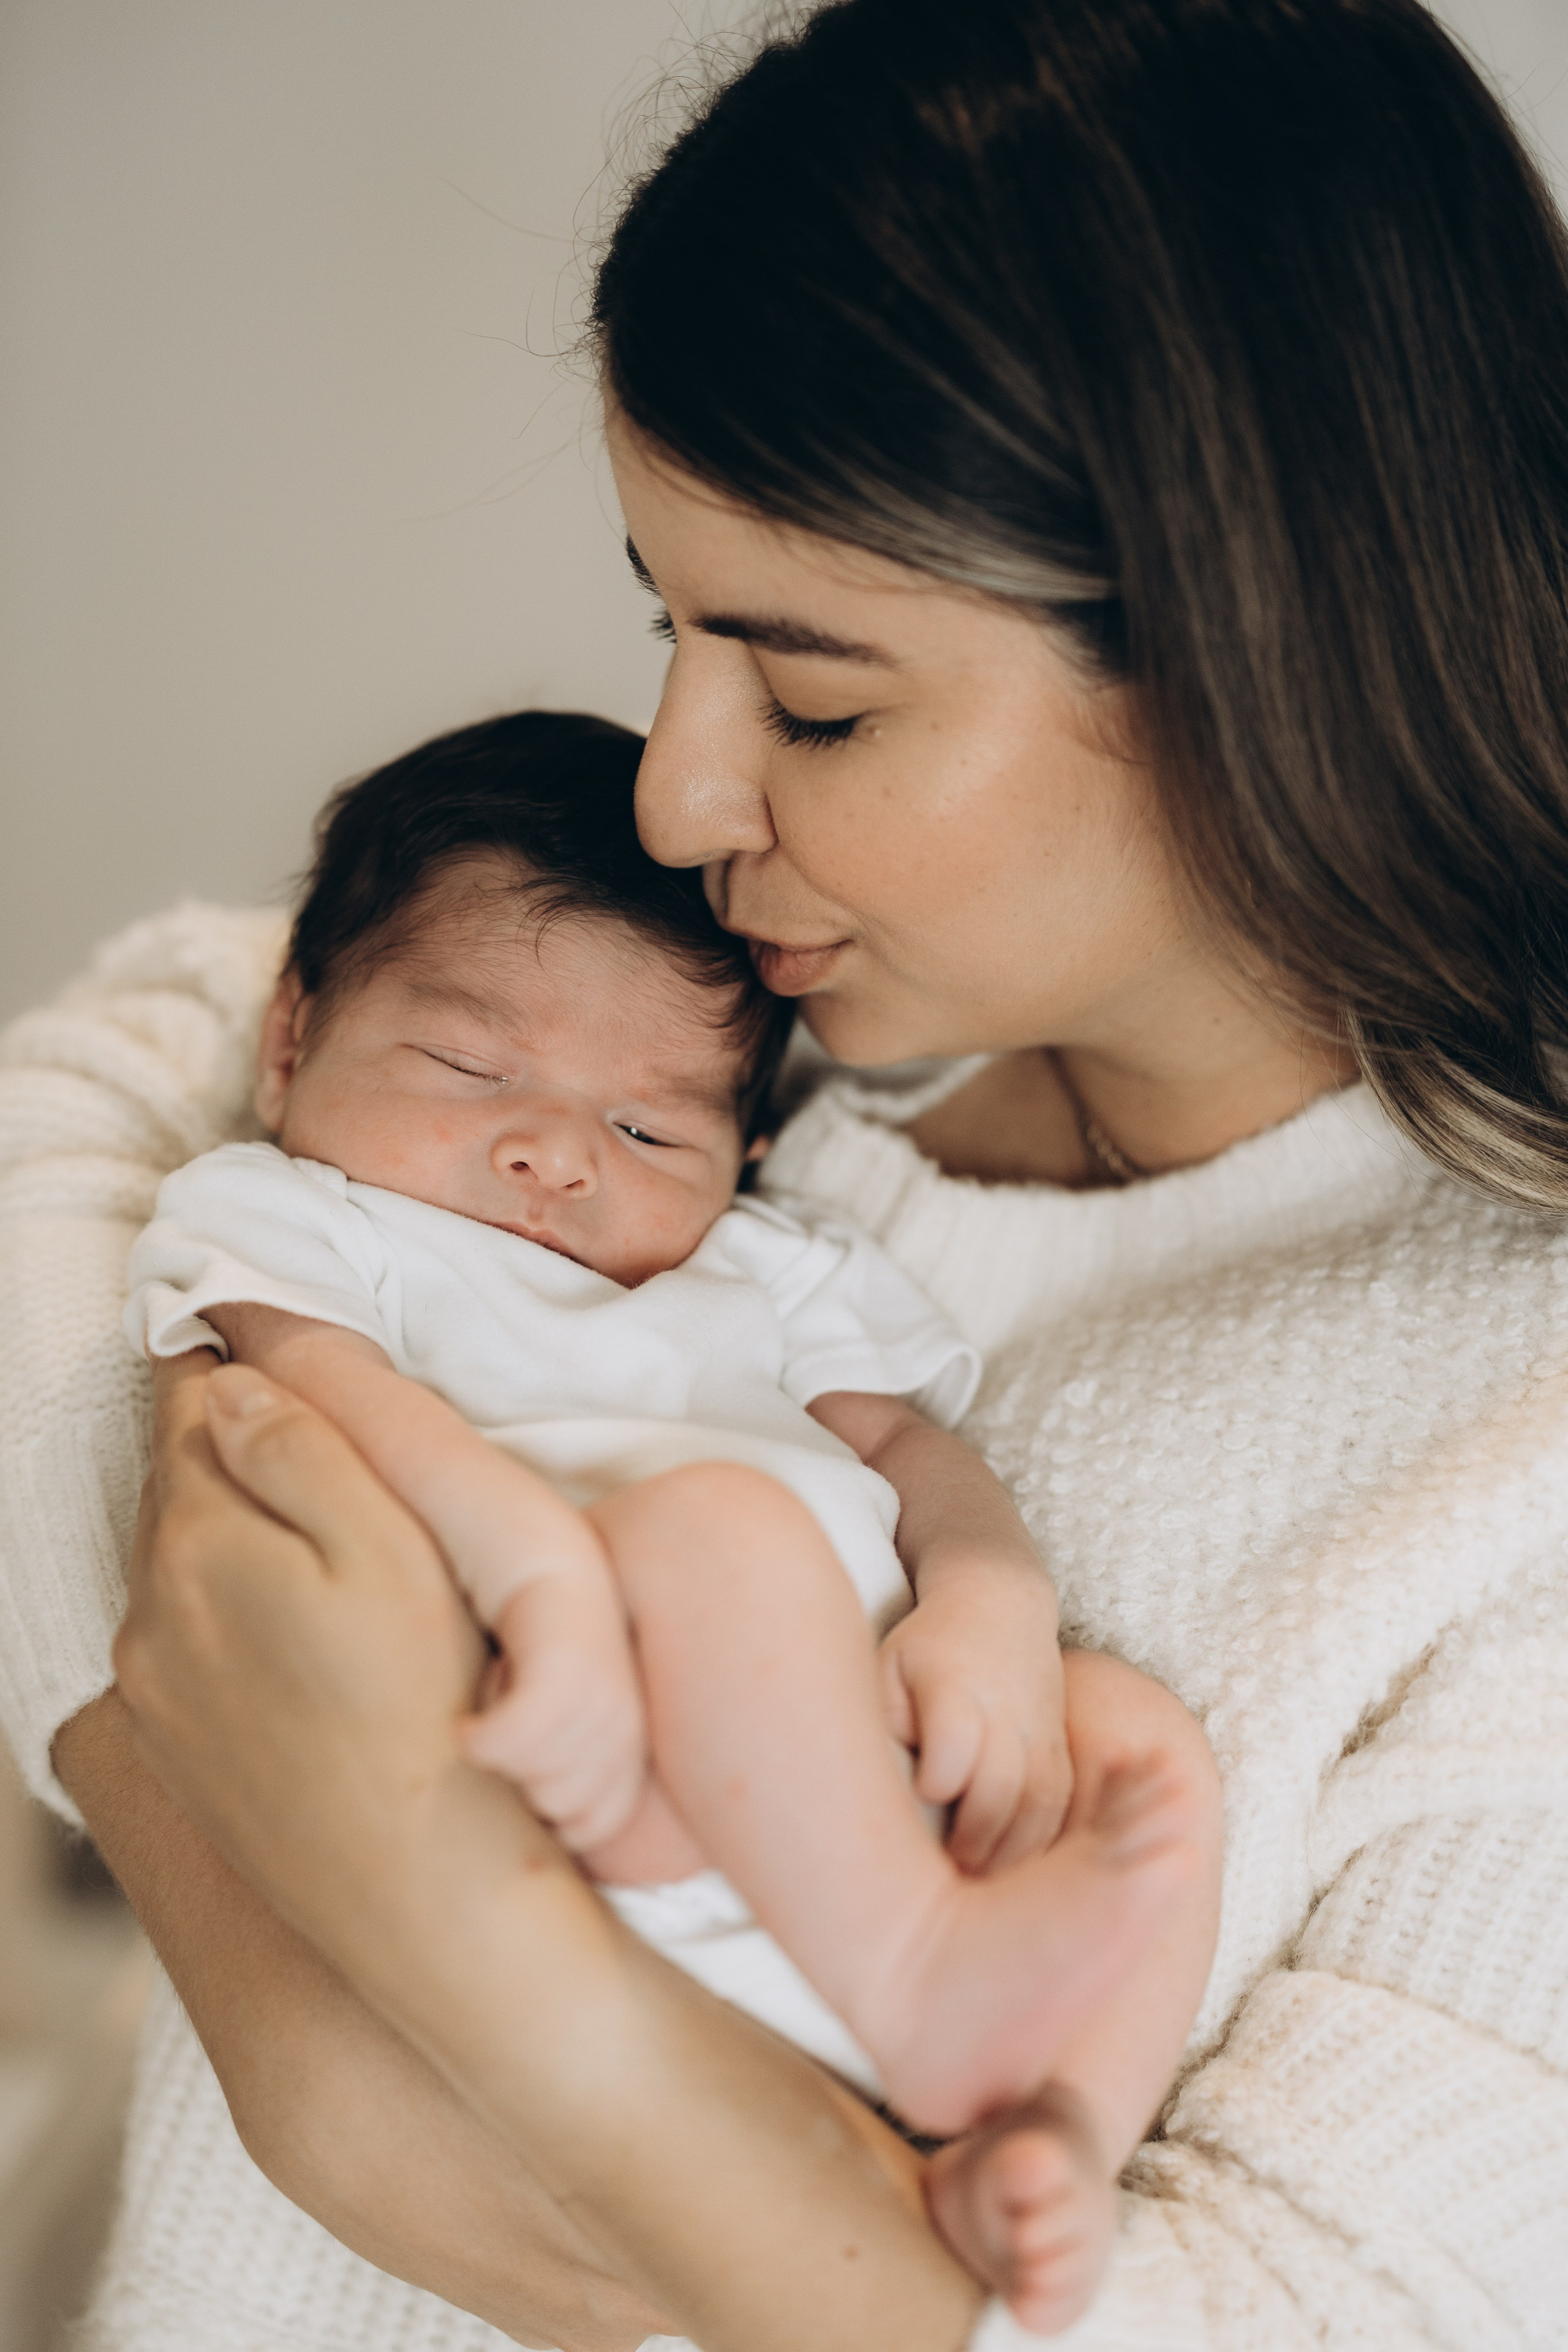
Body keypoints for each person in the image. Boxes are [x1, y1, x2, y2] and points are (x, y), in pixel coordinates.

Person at [2, 1, 1566, 2346]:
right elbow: (109, 1076)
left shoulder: (1512, 1433)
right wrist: (158, 1762)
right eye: (669, 626)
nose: (676, 797)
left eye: (815, 698)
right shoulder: (702, 1035)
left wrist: (405, 1949)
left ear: (1258, 648)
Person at [122, 707, 1217, 2320]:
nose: (552, 1153)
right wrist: (541, 1572)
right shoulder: (295, 1217)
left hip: (859, 1772)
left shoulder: (766, 1266)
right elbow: (332, 1407)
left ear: (750, 1150)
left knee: (1134, 1736)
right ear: (291, 1041)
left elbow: (918, 1461)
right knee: (720, 1531)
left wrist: (990, 1607)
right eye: (469, 1064)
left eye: (650, 1127)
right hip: (585, 1749)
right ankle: (920, 1987)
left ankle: (1047, 2131)